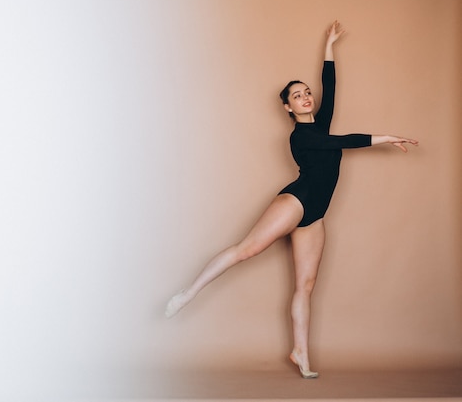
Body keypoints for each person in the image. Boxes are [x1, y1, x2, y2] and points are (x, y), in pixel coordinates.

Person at [164, 21, 418, 379]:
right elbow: (339, 142)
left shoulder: (320, 122)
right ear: (287, 107)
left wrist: (329, 46)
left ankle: (300, 352)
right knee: (246, 250)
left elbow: (330, 85)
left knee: (306, 285)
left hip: (315, 216)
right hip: (295, 202)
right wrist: (386, 136)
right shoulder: (301, 137)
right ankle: (187, 293)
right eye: (297, 95)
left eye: (306, 92)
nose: (305, 96)